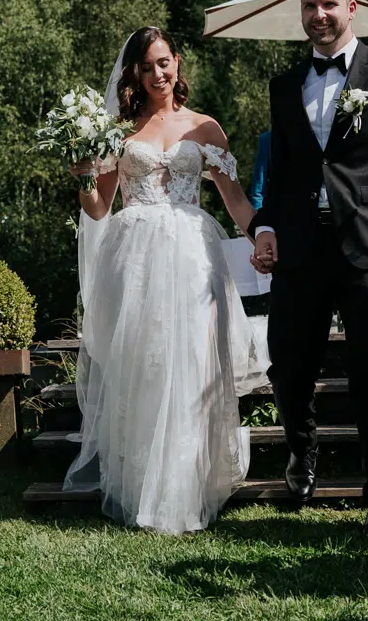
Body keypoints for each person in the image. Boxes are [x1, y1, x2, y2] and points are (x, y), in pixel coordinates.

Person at [63, 26, 267, 534]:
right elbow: (99, 207)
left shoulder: (205, 128)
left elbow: (235, 199)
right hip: (136, 259)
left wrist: (262, 234)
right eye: (148, 65)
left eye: (165, 62)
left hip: (193, 255)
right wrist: (84, 176)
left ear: (178, 63)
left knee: (194, 363)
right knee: (147, 365)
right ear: (134, 72)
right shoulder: (118, 132)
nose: (158, 73)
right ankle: (143, 491)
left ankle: (188, 488)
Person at [250, 0, 368, 536]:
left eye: (329, 4)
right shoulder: (284, 86)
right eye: (309, 6)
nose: (319, 15)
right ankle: (302, 454)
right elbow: (279, 173)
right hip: (301, 247)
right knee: (289, 365)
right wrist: (267, 227)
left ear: (352, 8)